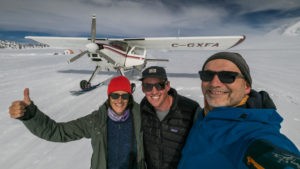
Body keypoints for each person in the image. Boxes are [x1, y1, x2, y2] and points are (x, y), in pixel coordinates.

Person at [178, 52, 300, 169]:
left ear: (246, 86)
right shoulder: (204, 116)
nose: (214, 83)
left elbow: (272, 154)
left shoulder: (252, 134)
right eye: (207, 75)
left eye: (228, 76)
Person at [8, 76, 145, 169]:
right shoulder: (95, 121)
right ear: (109, 97)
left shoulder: (143, 118)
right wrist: (30, 115)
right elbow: (58, 132)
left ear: (129, 97)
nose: (119, 100)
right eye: (115, 95)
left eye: (124, 95)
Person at [139, 66, 201, 169]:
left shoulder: (191, 110)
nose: (154, 91)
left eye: (159, 85)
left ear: (167, 86)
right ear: (142, 88)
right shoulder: (142, 109)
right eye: (148, 86)